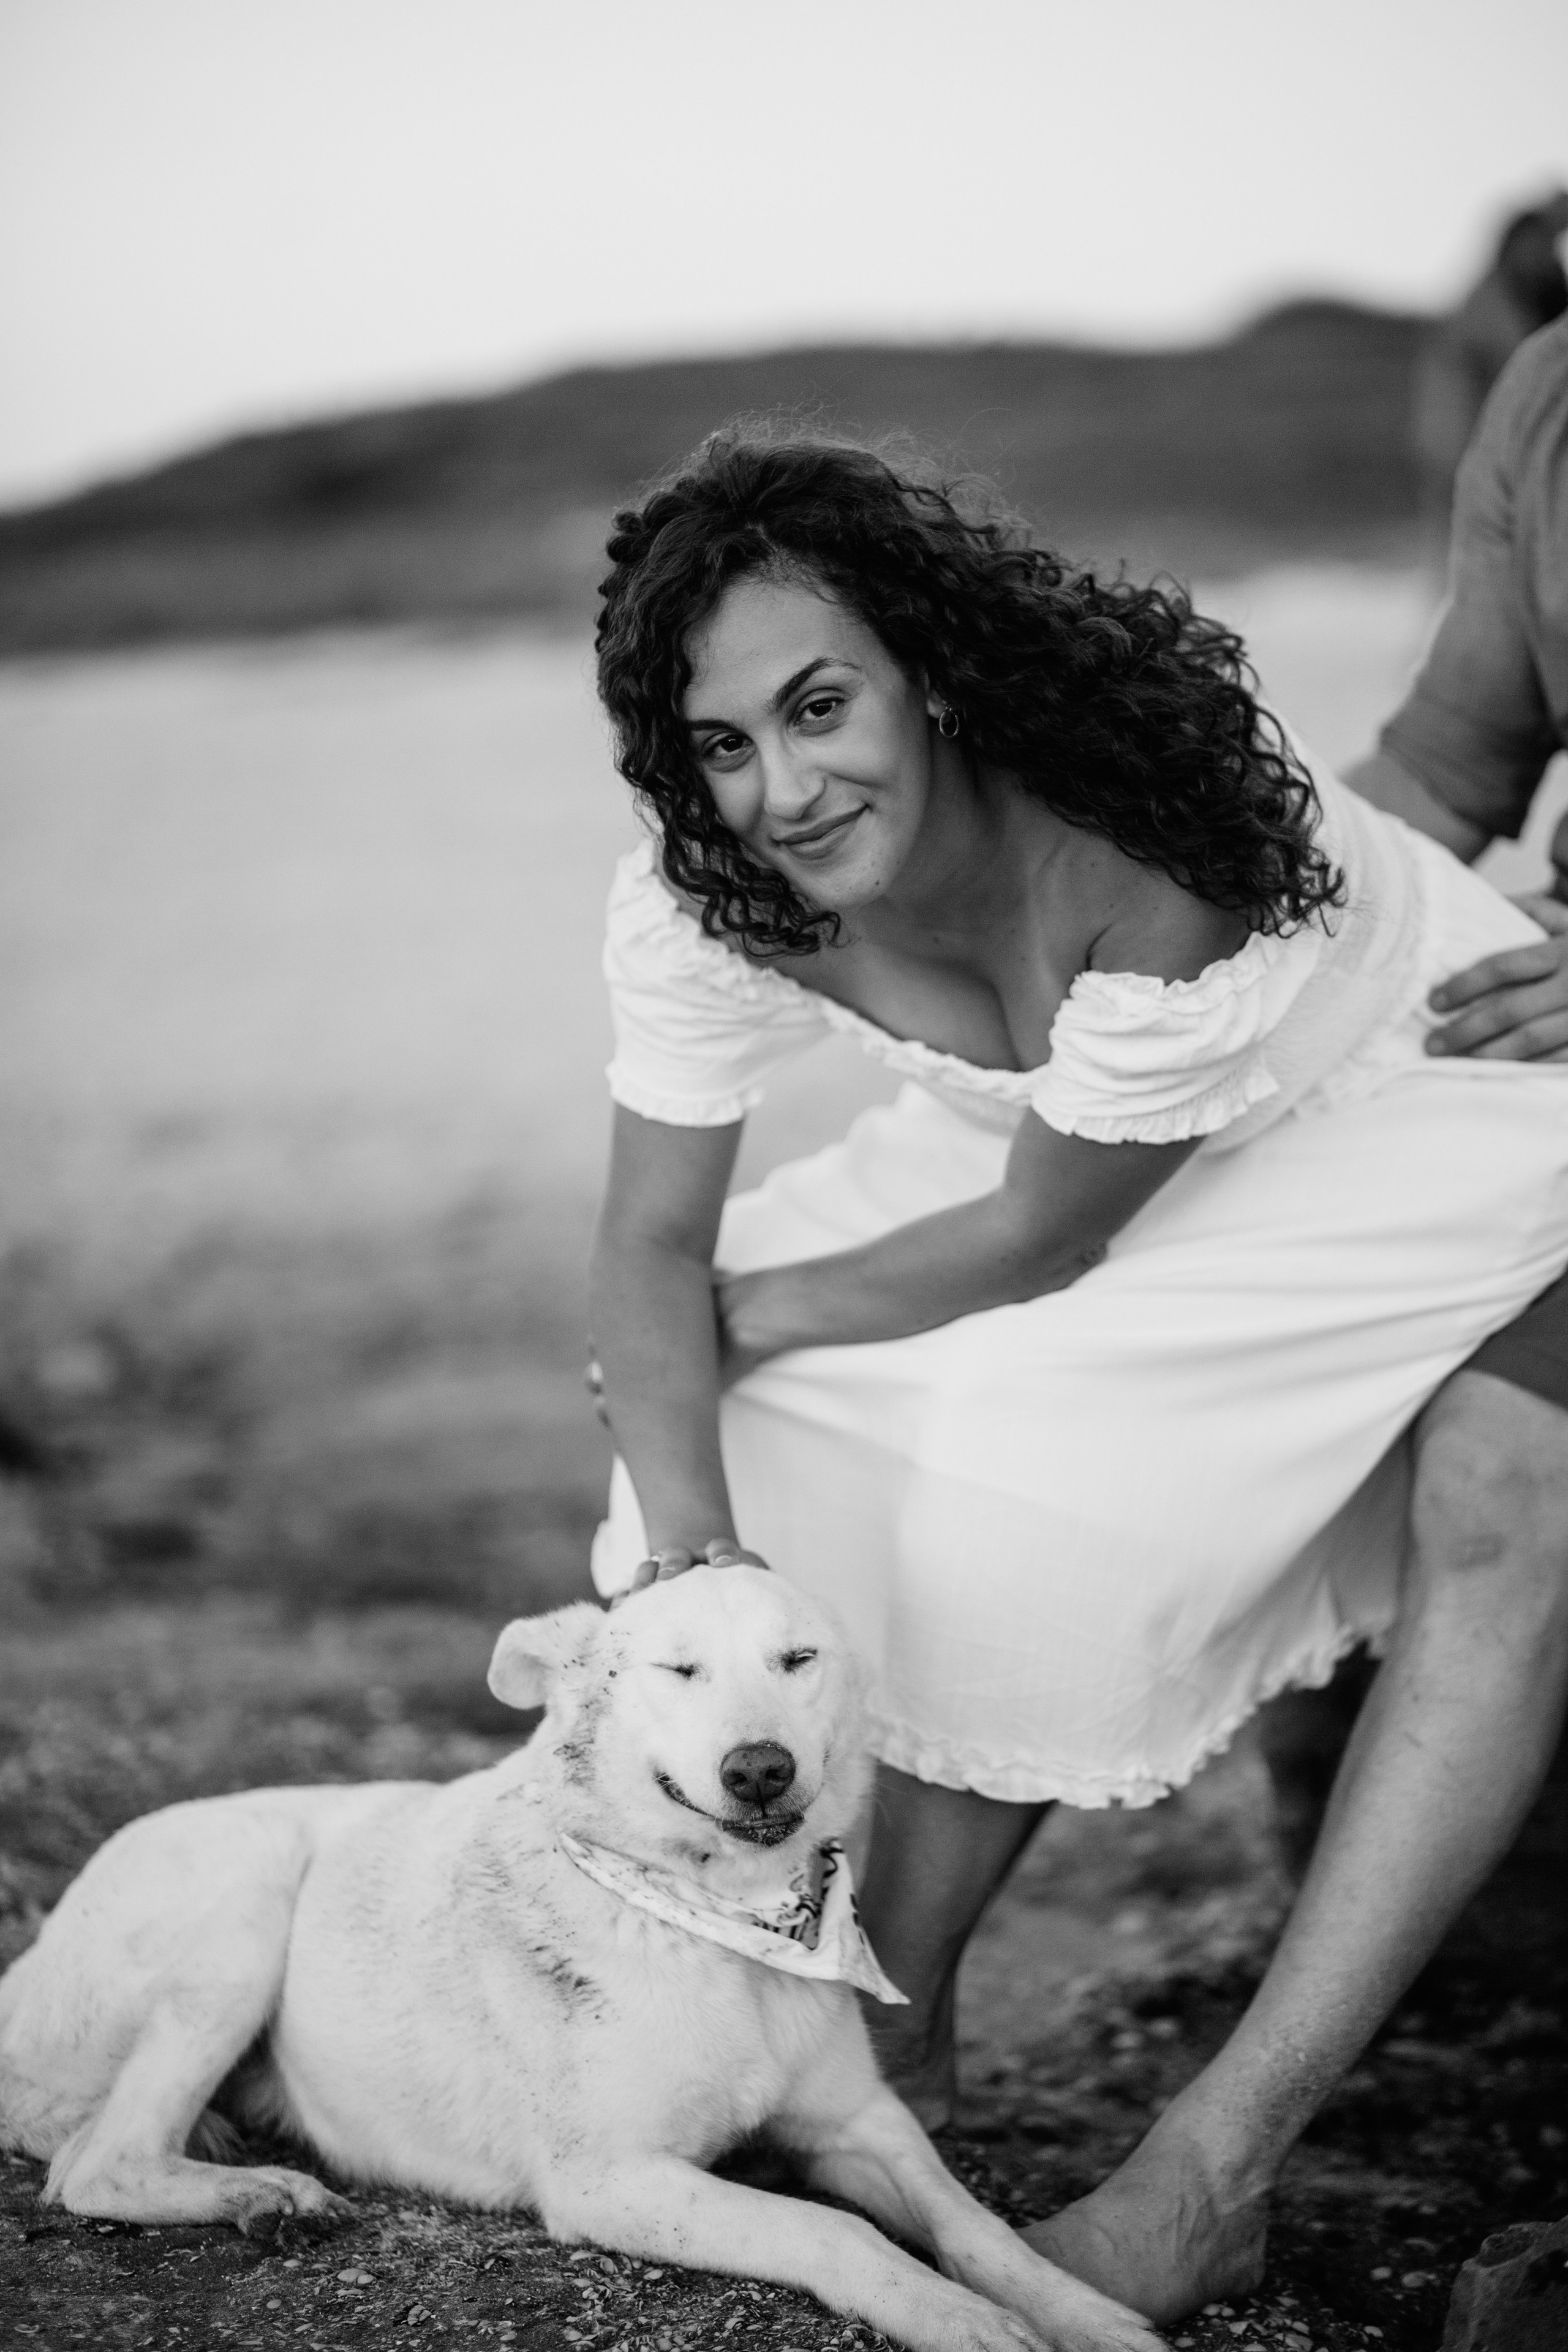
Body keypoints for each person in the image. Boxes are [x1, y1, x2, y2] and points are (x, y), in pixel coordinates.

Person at [584, 426, 1568, 2324]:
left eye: (819, 708)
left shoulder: (1148, 872)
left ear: (936, 672)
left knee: (1029, 1482)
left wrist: (753, 1313)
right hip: (1099, 1138)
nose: (779, 789)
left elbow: (1041, 1244)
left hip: (1398, 1115)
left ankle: (941, 2058)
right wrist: (700, 1560)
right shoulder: (711, 888)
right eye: (721, 743)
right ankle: (860, 2028)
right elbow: (642, 1249)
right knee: (745, 1453)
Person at [1029, 315, 1568, 2323]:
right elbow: (1448, 766)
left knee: (1506, 1465)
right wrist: (1215, 907)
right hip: (1544, 1029)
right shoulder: (1549, 393)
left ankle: (1211, 2169)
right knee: (1136, 1275)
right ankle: (871, 2069)